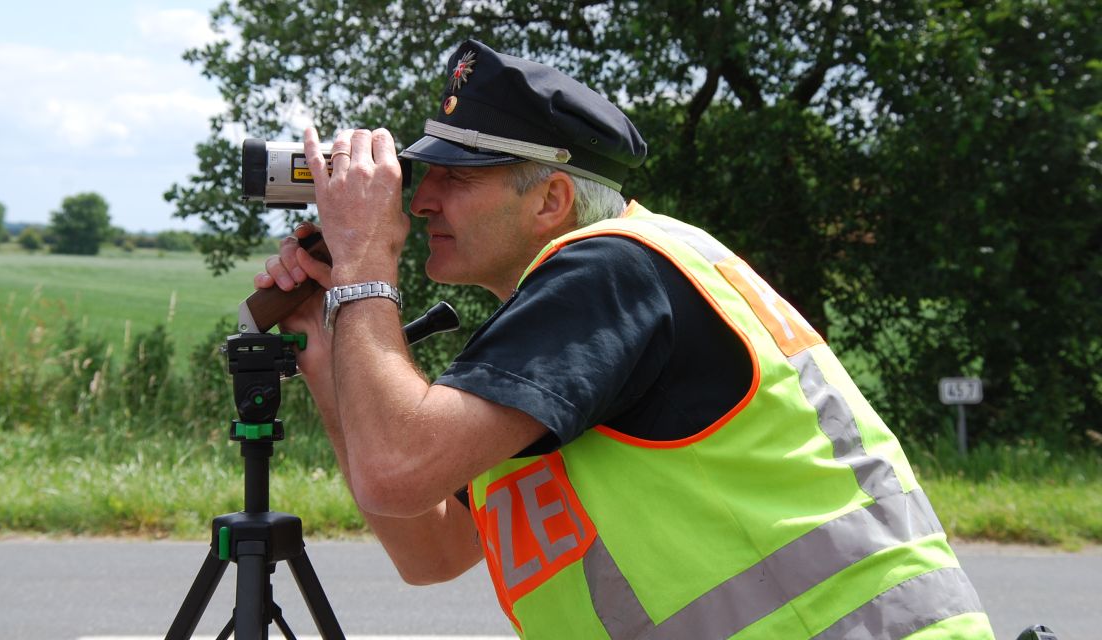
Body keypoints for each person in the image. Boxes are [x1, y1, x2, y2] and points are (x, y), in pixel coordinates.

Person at [254, 40, 995, 639]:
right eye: (425, 175)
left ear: (552, 198)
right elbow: (431, 549)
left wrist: (363, 264)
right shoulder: (555, 330)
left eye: (456, 176)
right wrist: (324, 344)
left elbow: (395, 472)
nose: (421, 200)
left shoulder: (616, 266)